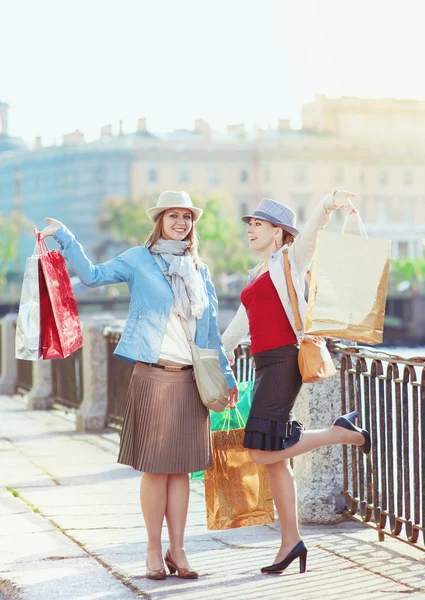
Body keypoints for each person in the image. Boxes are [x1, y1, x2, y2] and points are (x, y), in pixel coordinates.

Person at [37, 190, 238, 581]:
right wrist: (64, 236)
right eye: (173, 215)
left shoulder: (200, 270)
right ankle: (151, 548)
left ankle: (177, 550)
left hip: (191, 382)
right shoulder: (138, 260)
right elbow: (93, 277)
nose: (181, 222)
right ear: (159, 220)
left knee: (182, 470)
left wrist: (227, 380)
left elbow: (211, 334)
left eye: (187, 217)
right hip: (153, 376)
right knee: (156, 470)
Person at [222, 190, 371, 575]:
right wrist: (213, 358)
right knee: (275, 460)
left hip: (285, 360)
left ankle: (340, 432)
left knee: (258, 451)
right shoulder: (258, 273)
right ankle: (291, 542)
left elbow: (312, 229)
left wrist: (330, 202)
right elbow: (239, 324)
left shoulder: (292, 257)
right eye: (249, 224)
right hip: (263, 363)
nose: (250, 229)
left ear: (278, 233)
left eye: (258, 224)